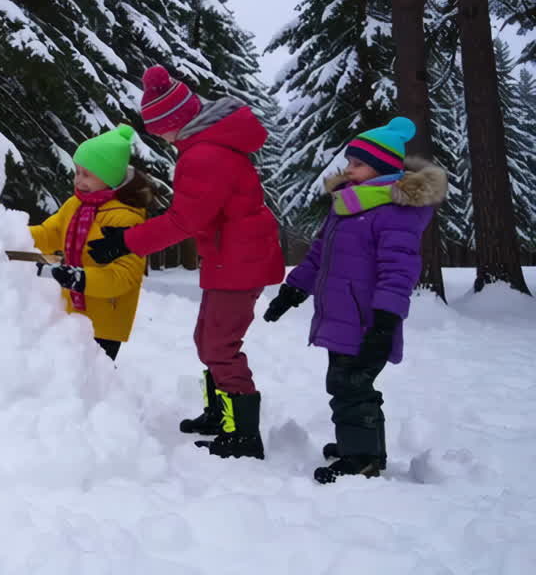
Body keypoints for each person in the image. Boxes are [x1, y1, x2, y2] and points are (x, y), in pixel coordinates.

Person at [86, 65, 284, 459]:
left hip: (238, 262)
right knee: (207, 341)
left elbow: (186, 220)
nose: (159, 137)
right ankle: (220, 413)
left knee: (219, 347)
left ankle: (242, 433)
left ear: (173, 122)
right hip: (230, 258)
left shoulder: (205, 156)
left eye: (159, 129)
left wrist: (126, 242)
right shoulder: (206, 147)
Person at [262, 117, 445, 483]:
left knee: (352, 385)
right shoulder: (347, 206)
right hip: (341, 317)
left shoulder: (395, 212)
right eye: (349, 162)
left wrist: (386, 319)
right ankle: (360, 447)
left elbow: (399, 271)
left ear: (381, 168)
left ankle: (362, 459)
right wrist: (293, 289)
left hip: (368, 320)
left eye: (358, 164)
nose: (348, 169)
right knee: (346, 383)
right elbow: (319, 256)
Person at [28, 125, 151, 360]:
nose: (78, 180)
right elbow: (48, 233)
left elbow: (124, 276)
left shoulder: (125, 217)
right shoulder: (75, 204)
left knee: (91, 382)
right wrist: (8, 233)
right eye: (77, 172)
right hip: (72, 313)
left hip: (105, 322)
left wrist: (79, 278)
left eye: (87, 174)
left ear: (109, 176)